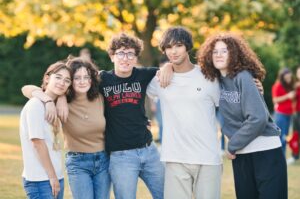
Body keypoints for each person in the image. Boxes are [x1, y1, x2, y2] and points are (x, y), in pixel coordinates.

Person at [198, 32, 287, 199]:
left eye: (224, 51)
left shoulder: (243, 76)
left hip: (264, 149)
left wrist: (232, 145)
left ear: (234, 53)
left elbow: (258, 119)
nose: (219, 55)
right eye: (215, 51)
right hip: (242, 153)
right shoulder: (215, 81)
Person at [147, 26, 222, 199]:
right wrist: (167, 67)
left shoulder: (209, 77)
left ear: (187, 46)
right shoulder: (159, 80)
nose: (173, 51)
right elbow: (134, 87)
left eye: (178, 45)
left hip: (207, 157)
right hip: (175, 158)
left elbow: (231, 101)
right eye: (168, 47)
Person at [22, 57, 111, 199]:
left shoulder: (100, 97)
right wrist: (50, 100)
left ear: (91, 79)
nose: (82, 81)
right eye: (77, 78)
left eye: (86, 77)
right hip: (78, 161)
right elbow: (26, 89)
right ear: (72, 82)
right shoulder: (60, 100)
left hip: (103, 160)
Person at [97, 33, 172, 199]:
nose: (126, 58)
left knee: (168, 194)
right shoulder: (102, 79)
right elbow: (75, 87)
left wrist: (168, 66)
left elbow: (170, 70)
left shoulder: (143, 75)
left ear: (136, 57)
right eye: (121, 53)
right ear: (112, 57)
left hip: (149, 150)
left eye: (130, 54)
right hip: (120, 156)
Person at [20, 61, 72, 199]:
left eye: (67, 80)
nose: (62, 82)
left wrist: (61, 97)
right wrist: (53, 177)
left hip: (55, 176)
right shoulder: (35, 105)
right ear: (47, 78)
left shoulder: (57, 106)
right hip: (41, 180)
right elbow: (37, 143)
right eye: (58, 77)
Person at [272, 67, 295, 155]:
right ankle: (279, 156)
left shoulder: (289, 86)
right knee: (280, 137)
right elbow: (275, 100)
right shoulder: (277, 85)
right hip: (281, 115)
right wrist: (288, 96)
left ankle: (283, 155)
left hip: (289, 115)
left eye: (290, 78)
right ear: (282, 77)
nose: (289, 79)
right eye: (287, 78)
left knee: (285, 137)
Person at [287, 65, 300, 164]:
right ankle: (295, 156)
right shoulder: (295, 85)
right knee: (295, 135)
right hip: (296, 113)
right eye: (298, 72)